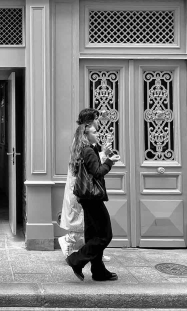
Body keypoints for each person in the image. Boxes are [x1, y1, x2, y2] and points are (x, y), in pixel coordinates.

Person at [65, 120, 118, 282]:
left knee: (93, 234)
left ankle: (98, 271)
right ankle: (76, 259)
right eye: (94, 132)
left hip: (87, 198)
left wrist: (104, 153)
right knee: (105, 235)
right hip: (93, 198)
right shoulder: (88, 150)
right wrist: (110, 162)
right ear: (86, 135)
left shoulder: (86, 149)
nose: (97, 134)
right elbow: (97, 172)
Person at [58, 109, 111, 262]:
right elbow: (91, 165)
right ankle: (74, 248)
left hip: (81, 187)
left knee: (88, 226)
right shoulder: (83, 142)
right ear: (89, 123)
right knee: (88, 226)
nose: (98, 122)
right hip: (84, 188)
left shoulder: (82, 139)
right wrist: (107, 157)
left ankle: (94, 255)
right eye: (96, 119)